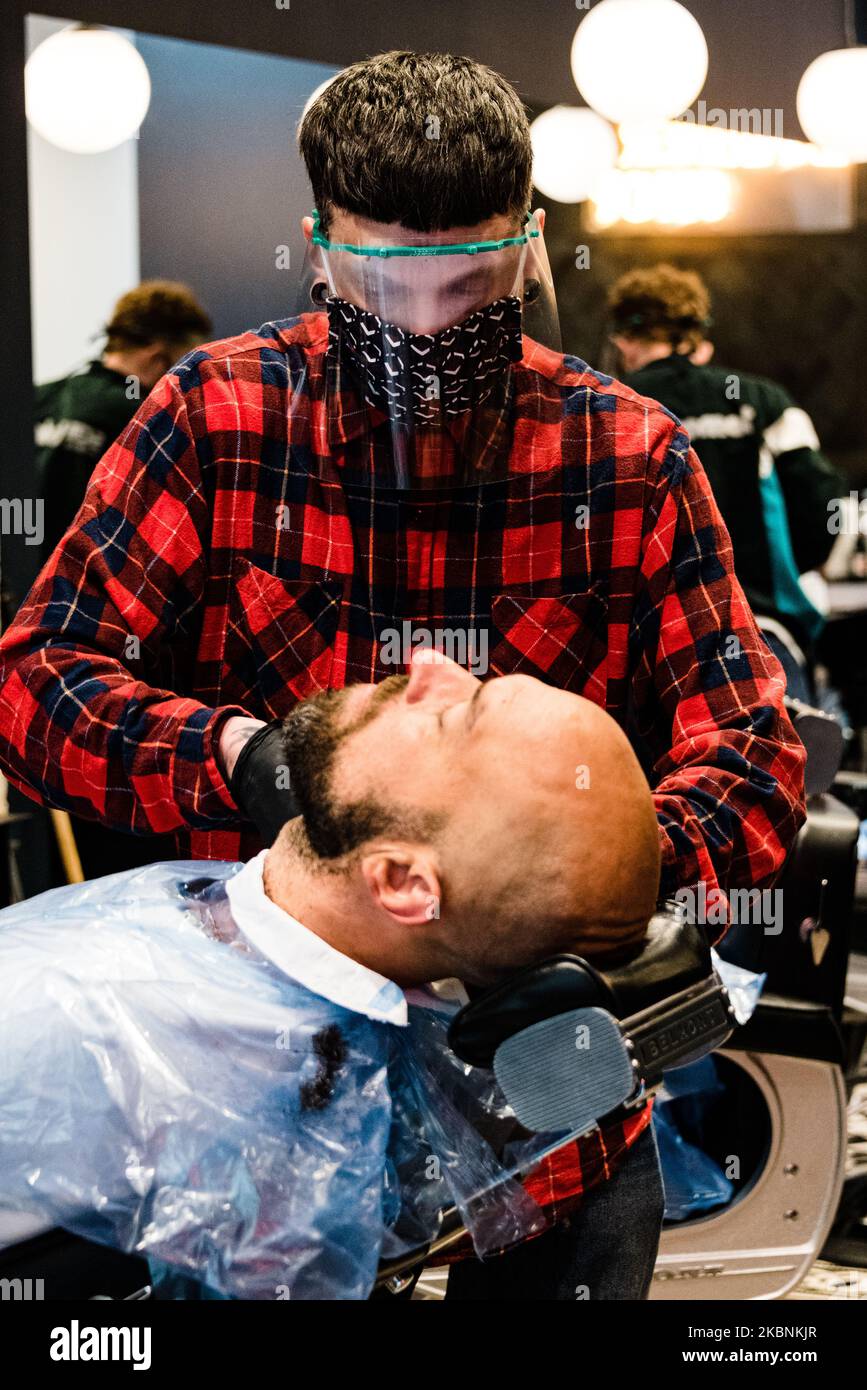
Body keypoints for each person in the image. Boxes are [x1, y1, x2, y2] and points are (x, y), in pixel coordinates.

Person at [0, 51, 806, 1300]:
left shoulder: (625, 457)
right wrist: (236, 759)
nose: (429, 329)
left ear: (533, 245)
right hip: (245, 1091)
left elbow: (754, 767)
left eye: (473, 283)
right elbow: (36, 681)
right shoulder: (216, 419)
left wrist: (566, 915)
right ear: (318, 248)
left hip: (547, 1081)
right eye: (387, 280)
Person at [0, 655, 662, 1299]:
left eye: (451, 718)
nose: (431, 662)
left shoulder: (79, 1022)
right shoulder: (337, 1066)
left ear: (401, 882)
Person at [608, 263, 844, 702]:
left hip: (643, 650)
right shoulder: (765, 403)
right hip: (761, 632)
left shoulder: (606, 407)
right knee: (780, 761)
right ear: (699, 337)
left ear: (623, 338)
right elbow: (824, 510)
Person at [35, 279, 213, 556]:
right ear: (159, 358)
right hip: (86, 587)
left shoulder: (37, 398)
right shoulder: (149, 420)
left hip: (19, 587)